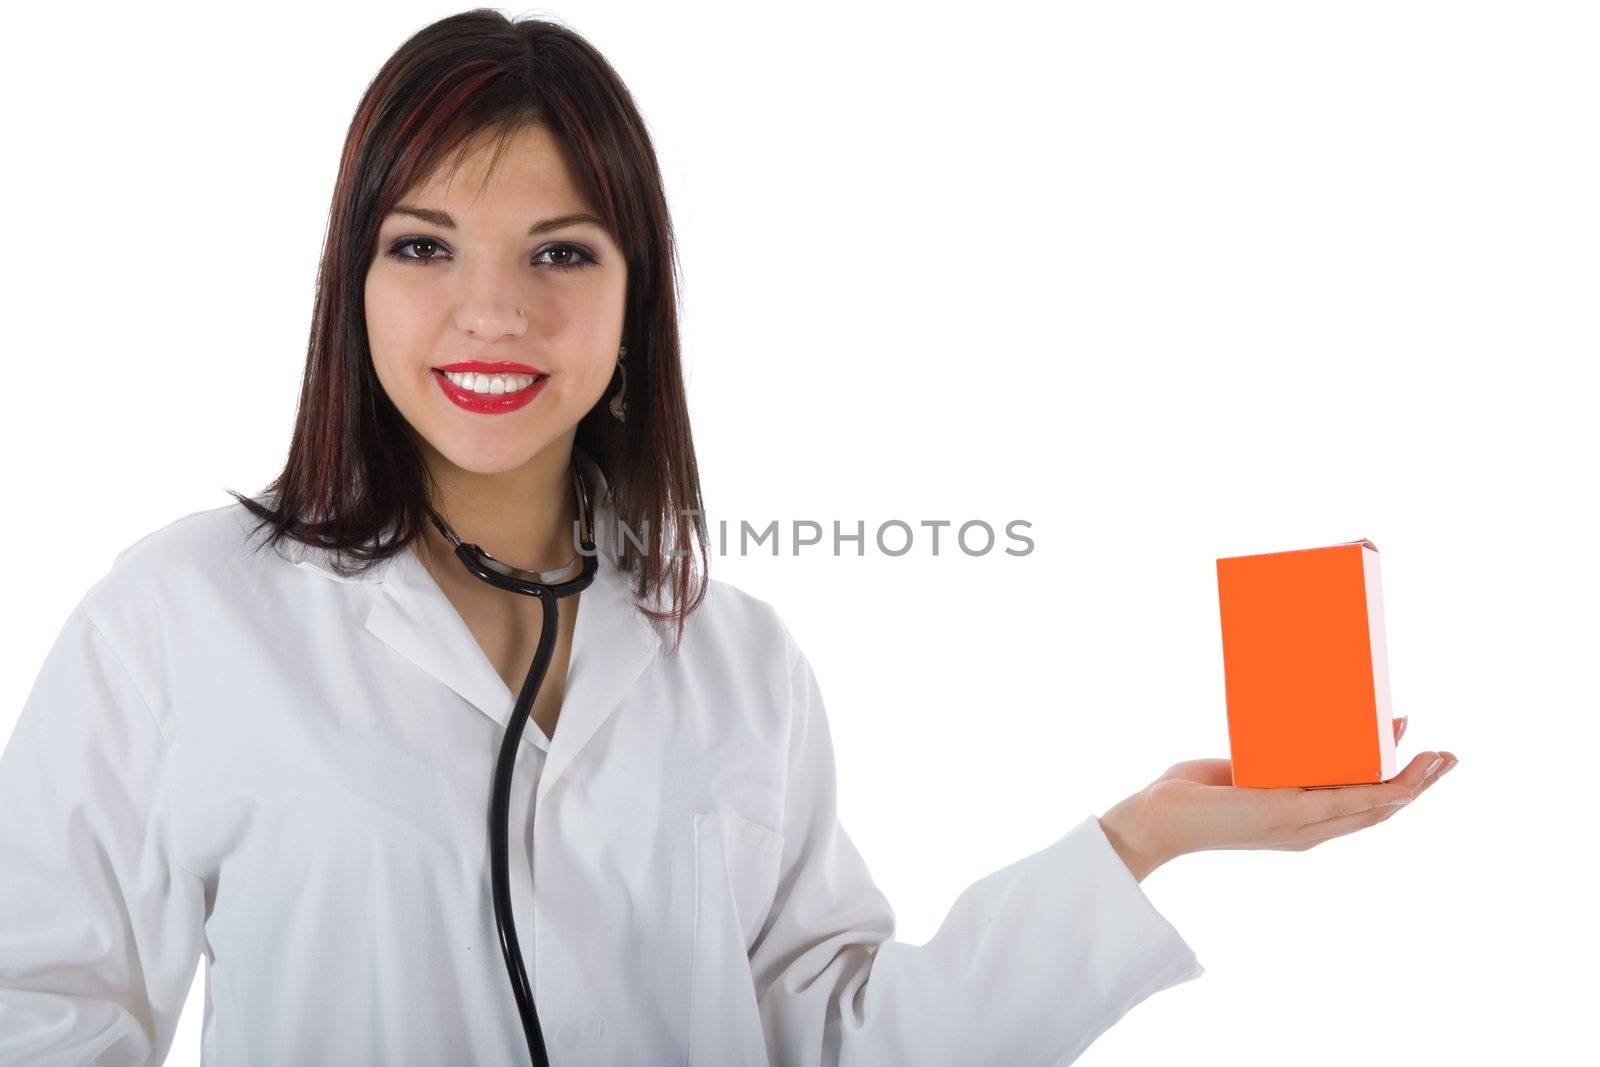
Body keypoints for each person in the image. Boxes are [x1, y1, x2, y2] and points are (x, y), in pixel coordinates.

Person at [0, 10, 1458, 1066]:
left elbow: (830, 1039)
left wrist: (1143, 841)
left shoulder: (738, 660)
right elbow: (40, 1000)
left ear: (637, 302)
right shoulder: (179, 617)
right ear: (353, 288)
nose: (493, 313)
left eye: (561, 253)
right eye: (423, 246)